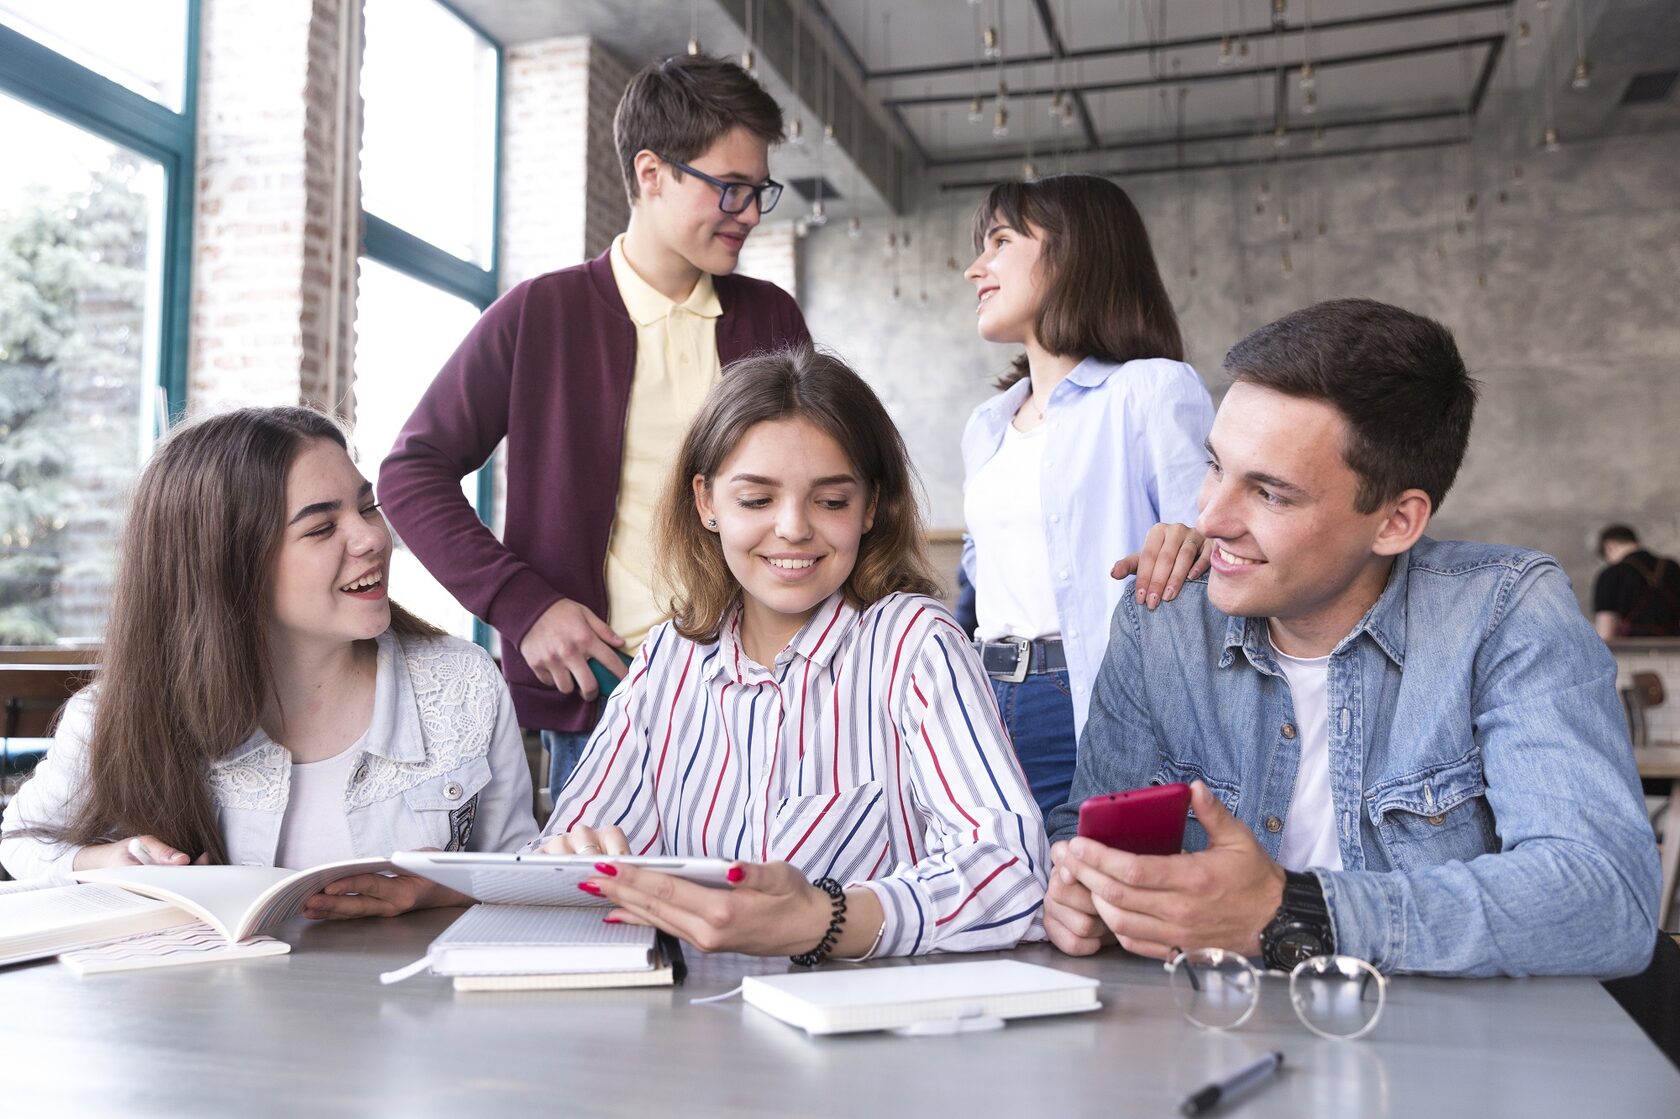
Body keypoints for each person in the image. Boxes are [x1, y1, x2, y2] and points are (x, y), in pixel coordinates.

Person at [1043, 299, 1659, 978]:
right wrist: (1079, 891)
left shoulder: (1503, 611)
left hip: (1448, 1058)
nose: (1209, 516)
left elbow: (1604, 898)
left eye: (1270, 493)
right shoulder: (1161, 618)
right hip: (1208, 1034)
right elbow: (1088, 828)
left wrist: (1293, 911)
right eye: (1214, 465)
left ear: (1396, 521)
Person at [379, 54, 809, 802]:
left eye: (758, 190)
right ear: (651, 173)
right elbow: (409, 474)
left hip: (770, 694)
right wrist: (525, 607)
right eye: (729, 188)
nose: (749, 213)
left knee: (765, 911)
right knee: (609, 918)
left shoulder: (772, 317)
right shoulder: (539, 315)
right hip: (607, 701)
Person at [533, 346, 1047, 962]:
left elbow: (1012, 869)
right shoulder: (667, 659)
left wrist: (824, 921)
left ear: (870, 508)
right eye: (756, 500)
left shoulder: (915, 645)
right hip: (689, 1030)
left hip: (864, 1032)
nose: (795, 528)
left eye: (831, 501)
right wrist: (568, 860)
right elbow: (569, 847)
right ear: (707, 504)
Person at [0, 407, 537, 919]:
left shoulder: (464, 683)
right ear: (229, 565)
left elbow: (521, 869)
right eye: (321, 528)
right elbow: (21, 844)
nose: (373, 537)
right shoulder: (116, 714)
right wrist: (99, 862)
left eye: (367, 506)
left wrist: (437, 892)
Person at [959, 174, 1214, 820]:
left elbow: (1213, 558)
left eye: (1000, 242)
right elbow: (976, 582)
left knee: (1085, 907)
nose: (975, 269)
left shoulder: (1151, 391)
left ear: (1071, 255)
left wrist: (1197, 542)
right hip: (981, 697)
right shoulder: (986, 425)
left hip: (1088, 696)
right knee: (996, 907)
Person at [1593, 525, 1680, 639]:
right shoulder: (1672, 567)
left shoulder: (1611, 574)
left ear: (1609, 546)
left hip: (1632, 652)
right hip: (1673, 649)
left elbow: (1605, 632)